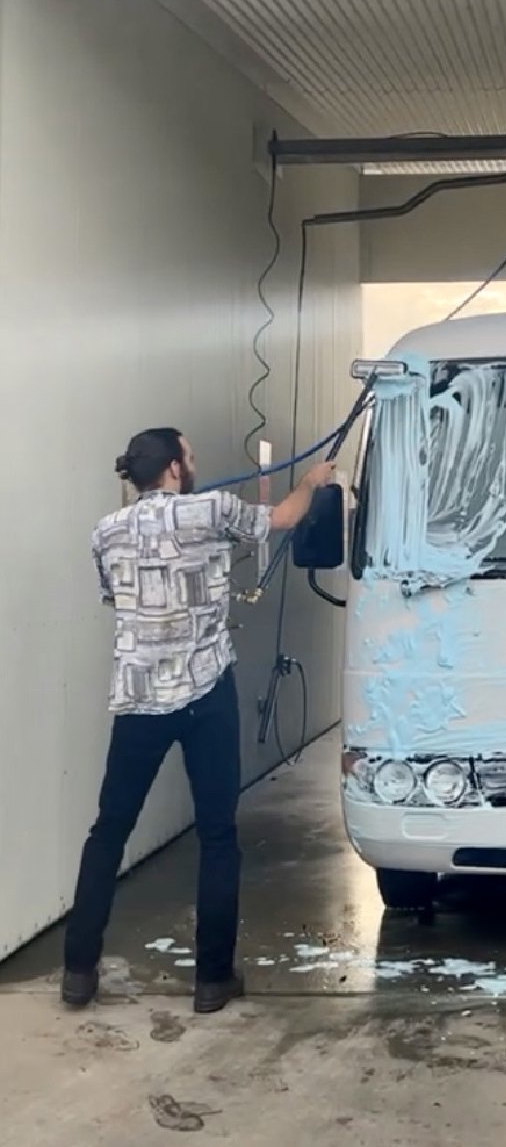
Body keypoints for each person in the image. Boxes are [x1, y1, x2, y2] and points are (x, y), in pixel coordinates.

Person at [61, 427, 336, 1014]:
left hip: (138, 698)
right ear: (172, 470)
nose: (195, 461)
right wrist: (314, 480)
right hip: (206, 691)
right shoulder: (211, 509)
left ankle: (78, 973)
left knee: (109, 831)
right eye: (189, 455)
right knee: (217, 834)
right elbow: (283, 518)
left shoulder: (105, 532)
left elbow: (118, 598)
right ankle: (212, 980)